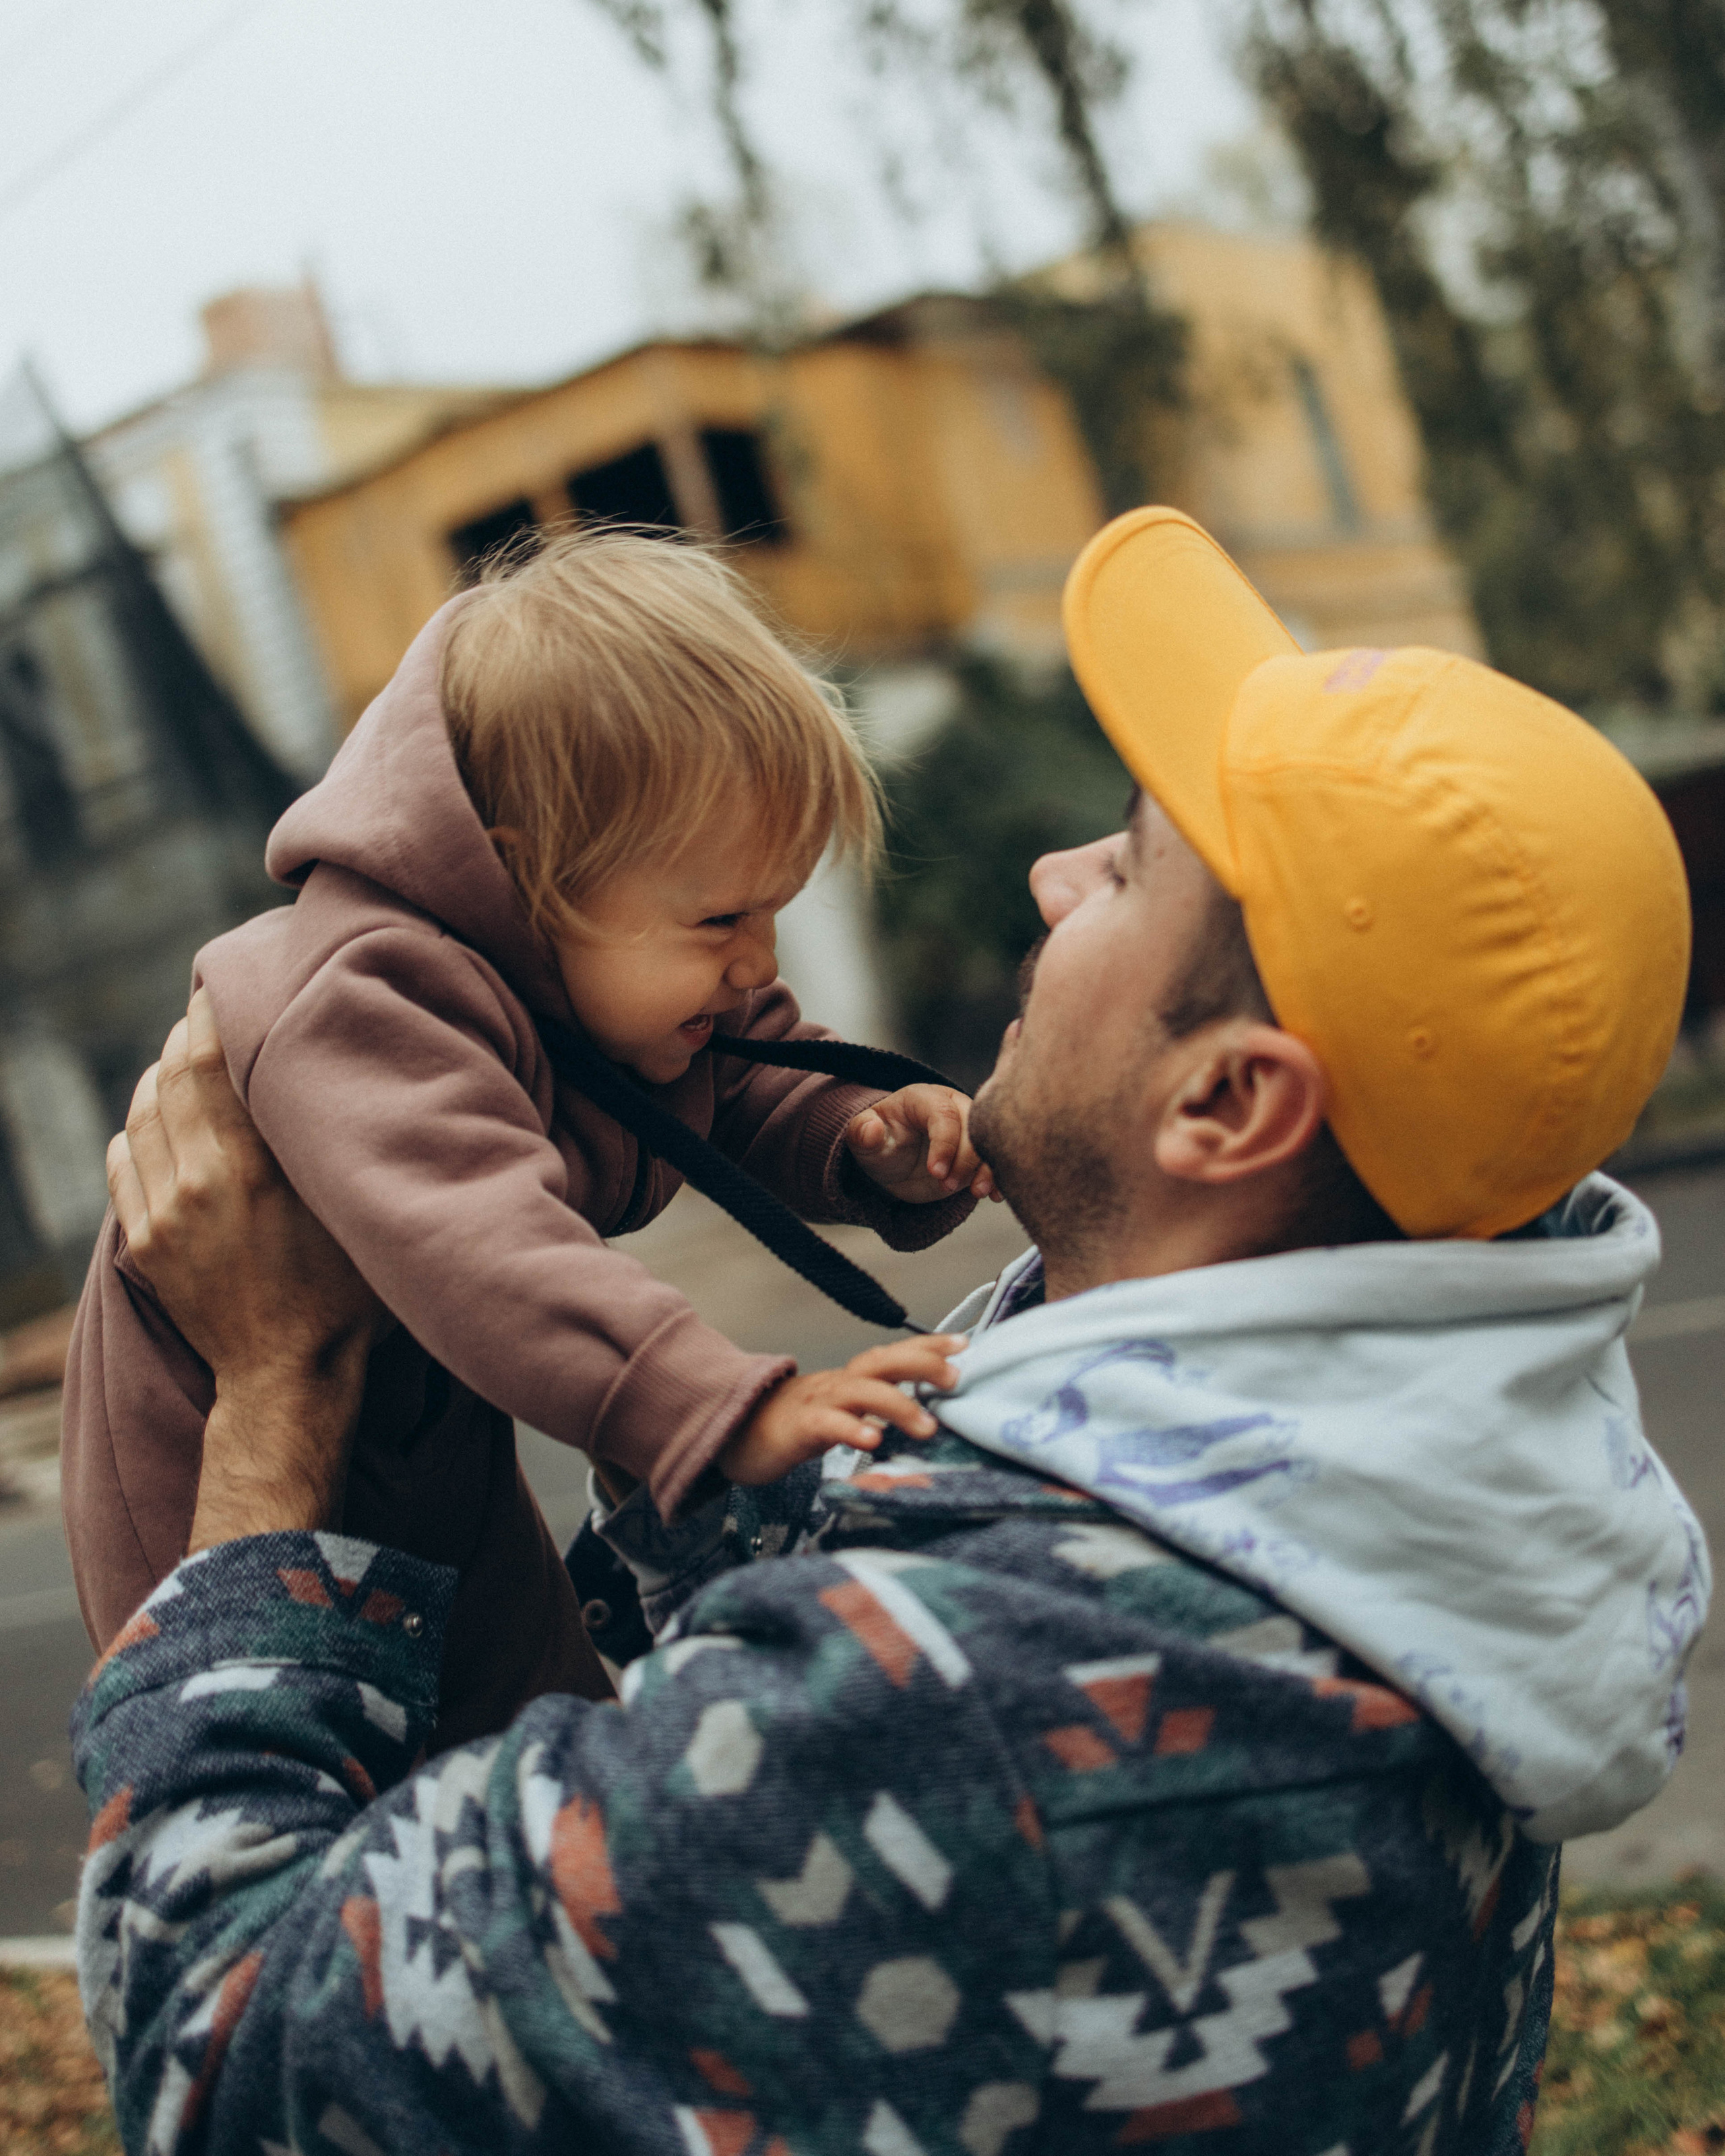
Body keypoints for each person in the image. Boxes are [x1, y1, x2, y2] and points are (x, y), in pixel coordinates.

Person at [73, 509, 1709, 2156]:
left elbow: (233, 2070)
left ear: (1222, 1101)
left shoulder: (954, 1725)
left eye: (1128, 866)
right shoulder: (1398, 1498)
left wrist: (279, 1389)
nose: (1048, 870)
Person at [61, 530, 989, 1748]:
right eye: (721, 918)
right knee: (291, 1768)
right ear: (527, 881)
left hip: (429, 1419)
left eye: (773, 911)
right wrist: (716, 1409)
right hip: (205, 1484)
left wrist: (854, 1135)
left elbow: (742, 1073)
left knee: (539, 1713)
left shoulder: (599, 972)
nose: (757, 962)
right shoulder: (370, 992)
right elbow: (478, 1238)